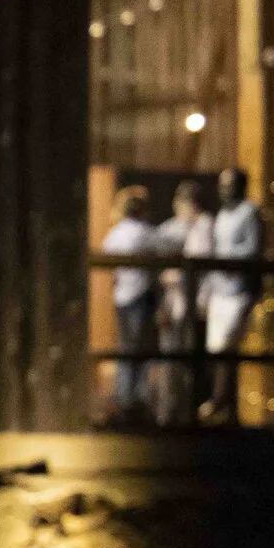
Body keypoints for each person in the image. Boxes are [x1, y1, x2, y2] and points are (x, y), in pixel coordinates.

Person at [200, 166, 264, 424]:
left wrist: (226, 259)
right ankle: (221, 402)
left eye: (229, 184)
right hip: (220, 289)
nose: (223, 190)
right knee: (216, 349)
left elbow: (252, 248)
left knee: (228, 345)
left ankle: (223, 402)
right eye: (221, 185)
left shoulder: (249, 212)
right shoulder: (222, 216)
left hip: (238, 289)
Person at [148, 179, 208, 427]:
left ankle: (182, 413)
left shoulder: (202, 227)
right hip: (173, 303)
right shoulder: (170, 231)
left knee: (184, 360)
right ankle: (170, 413)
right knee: (171, 358)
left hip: (191, 304)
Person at [98, 186, 158, 426]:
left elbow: (106, 251)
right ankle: (138, 395)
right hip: (141, 294)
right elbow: (163, 247)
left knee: (125, 346)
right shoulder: (144, 232)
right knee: (140, 347)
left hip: (122, 295)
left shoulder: (117, 233)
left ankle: (124, 394)